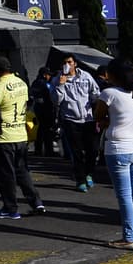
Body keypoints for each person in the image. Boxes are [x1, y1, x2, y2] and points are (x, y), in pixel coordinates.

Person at [94, 59, 133, 250]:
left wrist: (108, 120)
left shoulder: (108, 93)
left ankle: (128, 238)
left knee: (125, 196)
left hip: (119, 149)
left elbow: (98, 116)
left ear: (114, 75)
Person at [0, 57, 44, 219]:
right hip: (21, 135)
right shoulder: (21, 83)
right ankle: (36, 202)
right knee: (22, 171)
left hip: (4, 138)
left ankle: (10, 208)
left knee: (5, 175)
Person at [52, 53, 100, 191]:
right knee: (77, 152)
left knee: (92, 150)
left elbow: (95, 93)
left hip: (88, 119)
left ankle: (89, 173)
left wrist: (96, 105)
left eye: (69, 62)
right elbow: (56, 101)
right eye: (64, 63)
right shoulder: (58, 80)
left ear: (75, 63)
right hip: (70, 119)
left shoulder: (85, 76)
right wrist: (60, 86)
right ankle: (80, 180)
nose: (67, 65)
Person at [29, 67, 57, 157]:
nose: (50, 77)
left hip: (38, 109)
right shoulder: (45, 84)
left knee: (39, 130)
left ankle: (38, 150)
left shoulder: (35, 83)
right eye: (48, 75)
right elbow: (50, 96)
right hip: (46, 109)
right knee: (48, 131)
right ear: (45, 75)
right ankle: (49, 151)